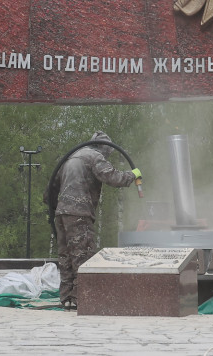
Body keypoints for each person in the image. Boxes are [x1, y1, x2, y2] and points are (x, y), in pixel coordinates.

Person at [47, 131, 139, 310]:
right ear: (104, 148)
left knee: (66, 256)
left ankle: (66, 298)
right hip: (79, 212)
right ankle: (81, 298)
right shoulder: (94, 157)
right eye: (108, 153)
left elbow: (51, 187)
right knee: (83, 256)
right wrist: (133, 174)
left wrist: (53, 209)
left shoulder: (72, 156)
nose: (107, 156)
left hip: (61, 213)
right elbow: (112, 177)